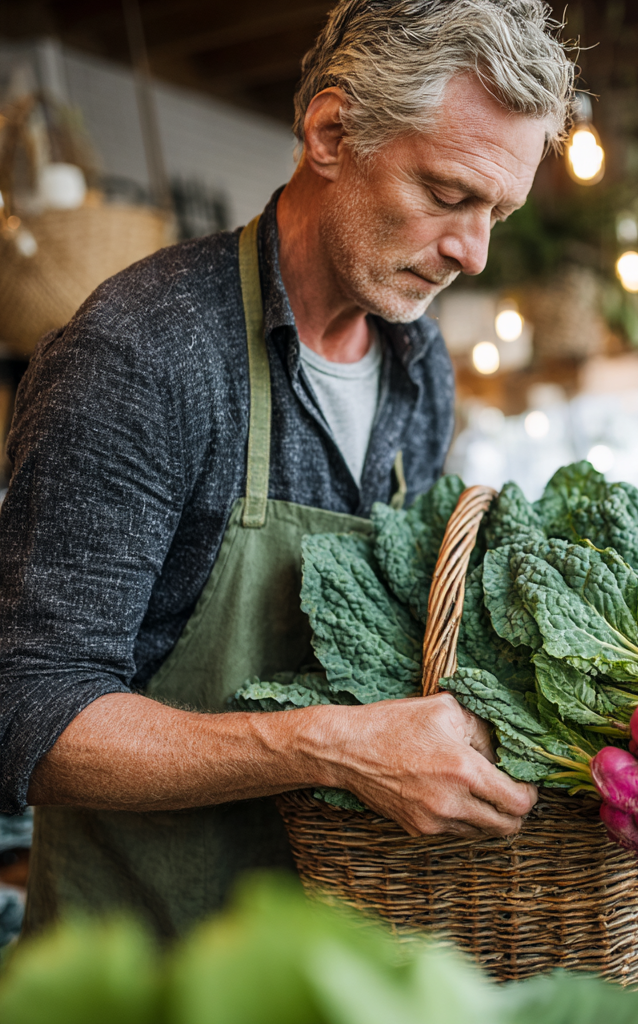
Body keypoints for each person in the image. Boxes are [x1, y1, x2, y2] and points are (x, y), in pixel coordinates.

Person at [0, 0, 575, 938]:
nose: (473, 253)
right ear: (331, 132)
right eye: (447, 195)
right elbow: (26, 711)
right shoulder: (146, 356)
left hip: (343, 957)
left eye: (497, 214)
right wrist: (334, 749)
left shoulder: (417, 364)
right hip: (143, 969)